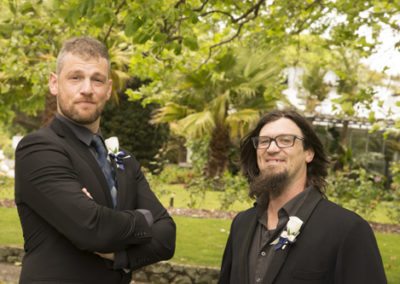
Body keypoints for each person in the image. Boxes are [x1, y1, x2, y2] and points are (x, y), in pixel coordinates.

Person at [14, 36, 176, 284]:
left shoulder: (123, 160)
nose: (87, 89)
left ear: (108, 89)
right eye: (75, 77)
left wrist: (120, 256)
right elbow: (93, 229)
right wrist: (144, 218)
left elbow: (167, 237)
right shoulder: (39, 149)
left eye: (97, 79)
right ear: (54, 84)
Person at [218, 109, 387, 284]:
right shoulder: (242, 224)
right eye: (264, 141)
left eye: (285, 140)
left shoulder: (347, 230)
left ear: (309, 153)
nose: (272, 148)